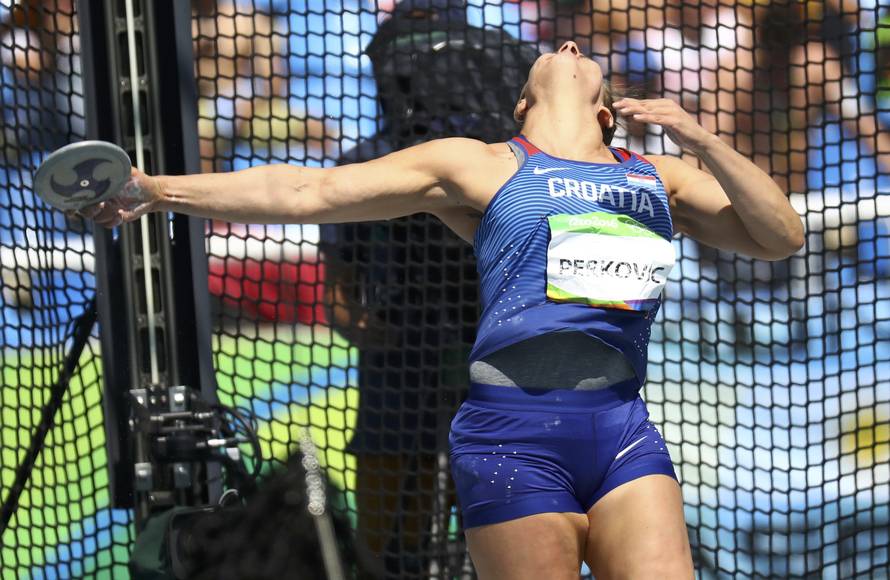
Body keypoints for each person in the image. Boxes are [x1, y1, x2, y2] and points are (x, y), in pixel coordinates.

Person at [78, 40, 804, 578]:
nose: (572, 45)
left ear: (608, 112)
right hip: (512, 440)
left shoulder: (659, 176)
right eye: (553, 53)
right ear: (522, 104)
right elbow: (312, 192)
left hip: (623, 435)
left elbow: (780, 237)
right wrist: (159, 190)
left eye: (580, 53)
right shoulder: (481, 165)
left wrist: (701, 137)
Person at [318, 1, 537, 576]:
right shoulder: (372, 161)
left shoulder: (504, 168)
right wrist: (362, 326)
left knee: (493, 521)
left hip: (488, 347)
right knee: (394, 533)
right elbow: (339, 282)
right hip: (405, 351)